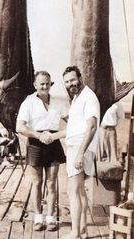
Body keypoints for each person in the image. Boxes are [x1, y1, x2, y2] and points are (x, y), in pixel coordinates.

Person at [52, 66, 100, 239]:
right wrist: (54, 136)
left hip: (81, 148)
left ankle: (75, 233)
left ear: (80, 77)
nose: (70, 84)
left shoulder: (89, 97)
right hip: (76, 147)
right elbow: (73, 128)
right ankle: (83, 231)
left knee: (73, 190)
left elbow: (92, 126)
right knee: (80, 191)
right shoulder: (77, 98)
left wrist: (80, 153)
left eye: (73, 79)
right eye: (66, 81)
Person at [16, 70, 67, 232]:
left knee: (51, 183)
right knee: (37, 183)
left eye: (47, 83)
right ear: (35, 85)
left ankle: (51, 218)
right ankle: (38, 218)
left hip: (53, 142)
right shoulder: (28, 102)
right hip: (36, 144)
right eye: (41, 84)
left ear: (50, 84)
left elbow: (73, 123)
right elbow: (20, 127)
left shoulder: (59, 102)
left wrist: (56, 135)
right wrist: (38, 135)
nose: (45, 86)